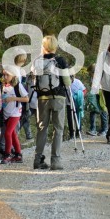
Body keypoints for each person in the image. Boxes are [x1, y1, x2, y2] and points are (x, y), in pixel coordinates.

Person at [31, 35, 71, 171]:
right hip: (58, 98)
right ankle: (55, 161)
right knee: (58, 129)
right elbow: (67, 81)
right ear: (55, 46)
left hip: (42, 99)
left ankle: (38, 159)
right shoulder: (60, 60)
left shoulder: (37, 61)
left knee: (42, 128)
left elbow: (33, 78)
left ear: (43, 46)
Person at [1, 65, 29, 163]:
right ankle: (18, 154)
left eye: (7, 75)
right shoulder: (4, 85)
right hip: (6, 113)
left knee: (7, 133)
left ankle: (7, 154)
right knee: (12, 135)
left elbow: (26, 98)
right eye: (4, 75)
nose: (5, 77)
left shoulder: (18, 86)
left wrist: (13, 98)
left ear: (13, 76)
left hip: (16, 113)